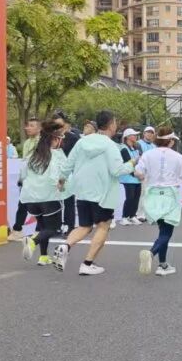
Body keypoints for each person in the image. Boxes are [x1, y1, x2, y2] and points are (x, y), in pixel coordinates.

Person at [53, 110, 134, 276]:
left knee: (85, 225)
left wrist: (61, 180)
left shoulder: (82, 142)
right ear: (111, 124)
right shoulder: (110, 145)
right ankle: (87, 263)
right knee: (103, 226)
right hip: (103, 192)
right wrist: (132, 163)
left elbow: (68, 164)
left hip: (82, 190)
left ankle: (65, 245)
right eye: (115, 122)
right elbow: (117, 170)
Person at [135, 125, 182, 276]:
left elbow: (138, 172)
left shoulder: (147, 154)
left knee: (162, 231)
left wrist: (143, 176)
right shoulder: (178, 157)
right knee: (166, 232)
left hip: (152, 194)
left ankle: (163, 265)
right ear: (171, 141)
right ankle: (151, 253)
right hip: (169, 194)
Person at [19, 119, 67, 266]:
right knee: (53, 228)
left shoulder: (33, 155)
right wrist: (61, 186)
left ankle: (43, 257)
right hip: (49, 197)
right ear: (54, 139)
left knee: (42, 227)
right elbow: (58, 176)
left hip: (31, 198)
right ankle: (32, 241)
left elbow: (22, 175)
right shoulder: (56, 155)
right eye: (60, 139)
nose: (60, 142)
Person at [9, 117, 41, 241]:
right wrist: (21, 178)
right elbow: (25, 162)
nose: (28, 128)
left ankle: (39, 230)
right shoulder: (27, 142)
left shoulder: (43, 142)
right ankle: (18, 229)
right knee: (22, 204)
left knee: (40, 205)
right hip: (27, 179)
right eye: (27, 125)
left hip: (39, 179)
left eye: (32, 126)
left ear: (39, 128)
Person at [54, 111, 81, 232]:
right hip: (53, 172)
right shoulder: (50, 137)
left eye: (60, 124)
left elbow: (78, 155)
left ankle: (69, 226)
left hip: (68, 173)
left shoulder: (72, 137)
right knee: (55, 200)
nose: (58, 127)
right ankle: (56, 225)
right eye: (55, 124)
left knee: (68, 199)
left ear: (65, 124)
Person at [117, 128, 143, 225]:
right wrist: (137, 175)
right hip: (128, 178)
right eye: (133, 135)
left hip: (137, 178)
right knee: (130, 198)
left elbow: (140, 162)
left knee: (136, 197)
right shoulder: (124, 148)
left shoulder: (135, 148)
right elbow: (128, 164)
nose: (135, 136)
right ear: (127, 137)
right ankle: (124, 217)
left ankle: (132, 216)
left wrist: (140, 174)